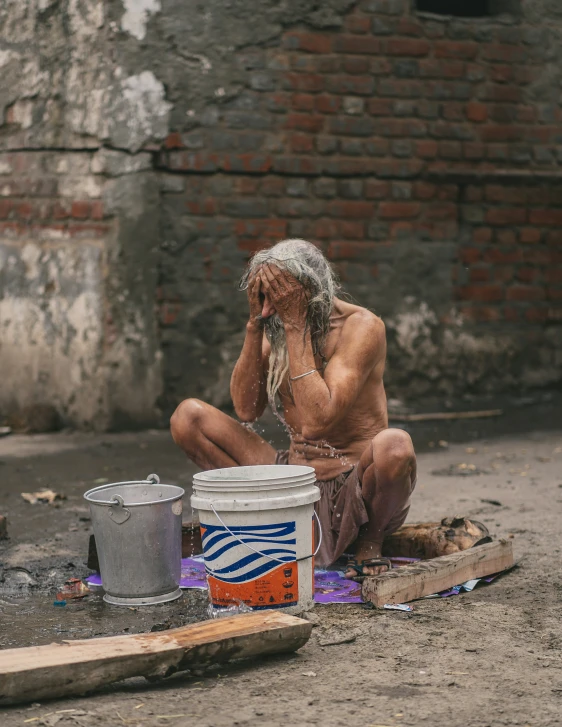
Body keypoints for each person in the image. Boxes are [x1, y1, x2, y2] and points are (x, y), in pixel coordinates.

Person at [171, 239, 416, 580]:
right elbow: (246, 409)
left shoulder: (361, 327)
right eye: (264, 293)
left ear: (310, 291)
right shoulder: (280, 326)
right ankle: (258, 520)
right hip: (292, 479)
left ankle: (369, 542)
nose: (273, 304)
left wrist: (296, 323)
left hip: (353, 484)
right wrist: (255, 324)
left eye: (280, 293)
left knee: (396, 446)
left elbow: (317, 422)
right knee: (188, 418)